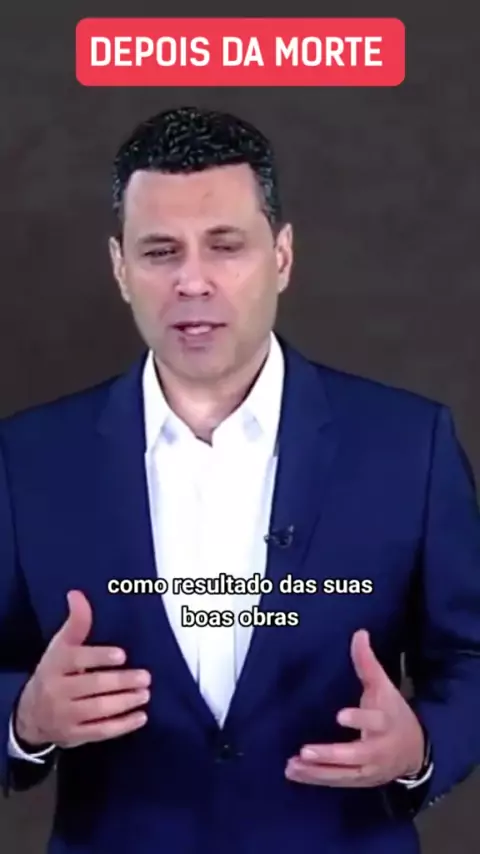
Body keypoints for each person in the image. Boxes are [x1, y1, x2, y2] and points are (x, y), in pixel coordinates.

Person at [0, 105, 479, 854]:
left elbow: (471, 658)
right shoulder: (28, 457)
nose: (192, 281)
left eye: (225, 246)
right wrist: (23, 721)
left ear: (281, 257)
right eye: (161, 251)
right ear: (121, 268)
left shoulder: (408, 446)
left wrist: (421, 748)